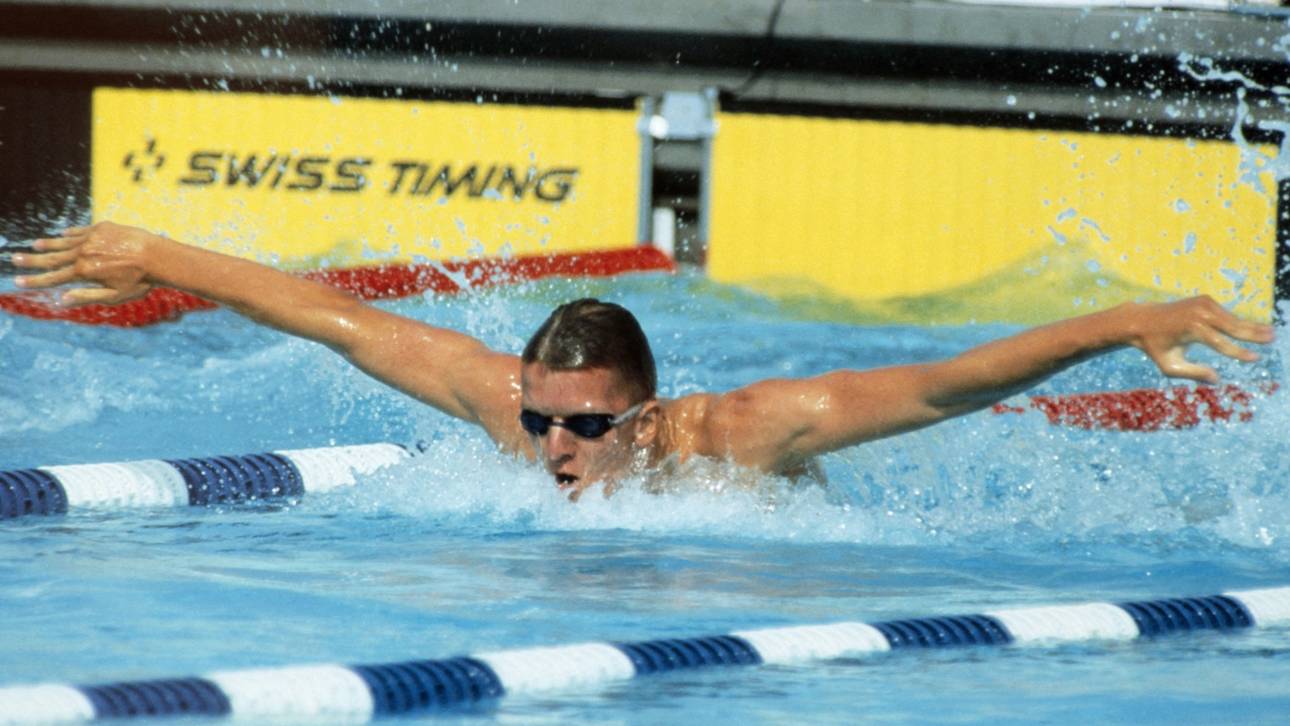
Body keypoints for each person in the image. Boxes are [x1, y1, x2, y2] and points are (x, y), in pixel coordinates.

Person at [12, 222, 1276, 500]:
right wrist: (162, 255)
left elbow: (941, 384)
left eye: (589, 430)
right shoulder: (520, 422)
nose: (557, 449)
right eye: (544, 421)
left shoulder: (739, 435)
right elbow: (340, 319)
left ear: (648, 413)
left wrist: (1118, 325)